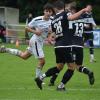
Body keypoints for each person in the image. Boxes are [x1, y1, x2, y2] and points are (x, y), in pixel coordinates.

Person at [34, 0, 93, 90]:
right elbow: (72, 18)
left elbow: (53, 32)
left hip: (57, 46)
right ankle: (61, 86)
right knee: (72, 67)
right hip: (66, 45)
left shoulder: (53, 19)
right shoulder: (66, 14)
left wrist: (50, 38)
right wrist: (83, 10)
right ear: (63, 7)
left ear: (55, 8)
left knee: (59, 67)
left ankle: (40, 77)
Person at [0, 3, 54, 79]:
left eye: (50, 11)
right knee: (42, 61)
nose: (48, 13)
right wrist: (35, 32)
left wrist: (49, 37)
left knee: (24, 56)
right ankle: (38, 78)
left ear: (52, 12)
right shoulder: (37, 19)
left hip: (40, 42)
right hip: (35, 41)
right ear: (44, 11)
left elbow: (51, 31)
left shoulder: (52, 20)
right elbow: (26, 28)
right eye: (47, 11)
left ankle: (6, 49)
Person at [48, 5, 95, 88]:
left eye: (69, 11)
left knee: (62, 64)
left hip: (70, 45)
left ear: (72, 11)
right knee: (78, 66)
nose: (68, 12)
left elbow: (64, 29)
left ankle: (53, 80)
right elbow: (87, 27)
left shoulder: (70, 20)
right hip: (80, 45)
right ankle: (88, 72)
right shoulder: (81, 19)